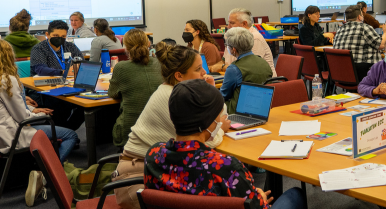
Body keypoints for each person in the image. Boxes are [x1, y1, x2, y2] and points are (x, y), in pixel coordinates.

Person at [144, 79, 305, 209]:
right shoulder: (225, 166)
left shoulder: (153, 155)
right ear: (208, 122)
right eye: (218, 116)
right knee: (295, 195)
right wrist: (260, 199)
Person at [0, 39, 79, 207]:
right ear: (7, 56)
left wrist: (31, 109)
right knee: (70, 135)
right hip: (14, 133)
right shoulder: (6, 80)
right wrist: (36, 113)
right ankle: (44, 174)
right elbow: (21, 118)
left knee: (44, 117)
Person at [114, 44, 222, 209]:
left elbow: (215, 122)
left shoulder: (178, 93)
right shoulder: (171, 98)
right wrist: (221, 129)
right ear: (179, 75)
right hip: (137, 182)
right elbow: (206, 143)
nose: (204, 73)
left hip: (157, 171)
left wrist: (210, 91)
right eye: (198, 69)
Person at [108, 29, 163, 148]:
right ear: (148, 44)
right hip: (161, 129)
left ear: (125, 47)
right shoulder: (160, 63)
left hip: (130, 132)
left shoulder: (121, 67)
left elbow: (112, 93)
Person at [220, 28, 273, 114]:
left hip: (237, 111)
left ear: (233, 49)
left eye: (227, 46)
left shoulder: (234, 68)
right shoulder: (264, 62)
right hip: (262, 109)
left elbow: (223, 95)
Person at [334, 5, 386, 82]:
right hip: (364, 74)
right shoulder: (364, 27)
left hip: (342, 74)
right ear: (359, 17)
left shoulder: (340, 30)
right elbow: (381, 45)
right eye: (362, 15)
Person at [224, 8, 276, 74]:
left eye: (232, 23)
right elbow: (224, 60)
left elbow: (250, 68)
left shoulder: (254, 38)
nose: (228, 26)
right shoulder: (232, 37)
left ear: (244, 24)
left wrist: (224, 67)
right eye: (228, 23)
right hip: (236, 75)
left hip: (260, 81)